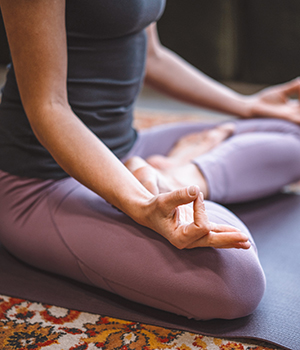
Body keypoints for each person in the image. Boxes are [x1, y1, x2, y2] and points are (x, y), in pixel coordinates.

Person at [0, 0, 300, 320]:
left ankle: (179, 174)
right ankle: (163, 178)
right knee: (235, 282)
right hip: (41, 181)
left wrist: (247, 106)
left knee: (291, 129)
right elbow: (49, 107)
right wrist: (141, 205)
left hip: (127, 148)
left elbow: (152, 57)